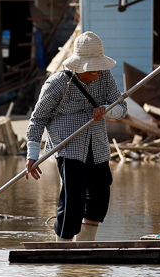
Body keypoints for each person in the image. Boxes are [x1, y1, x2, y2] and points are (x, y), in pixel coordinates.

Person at [24, 31, 127, 241]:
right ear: (79, 66)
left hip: (97, 145)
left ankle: (85, 248)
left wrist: (106, 109)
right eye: (91, 70)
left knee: (99, 195)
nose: (96, 73)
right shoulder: (57, 83)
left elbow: (122, 108)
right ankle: (64, 247)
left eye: (99, 68)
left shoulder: (105, 76)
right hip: (68, 144)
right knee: (74, 196)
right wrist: (32, 155)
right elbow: (37, 119)